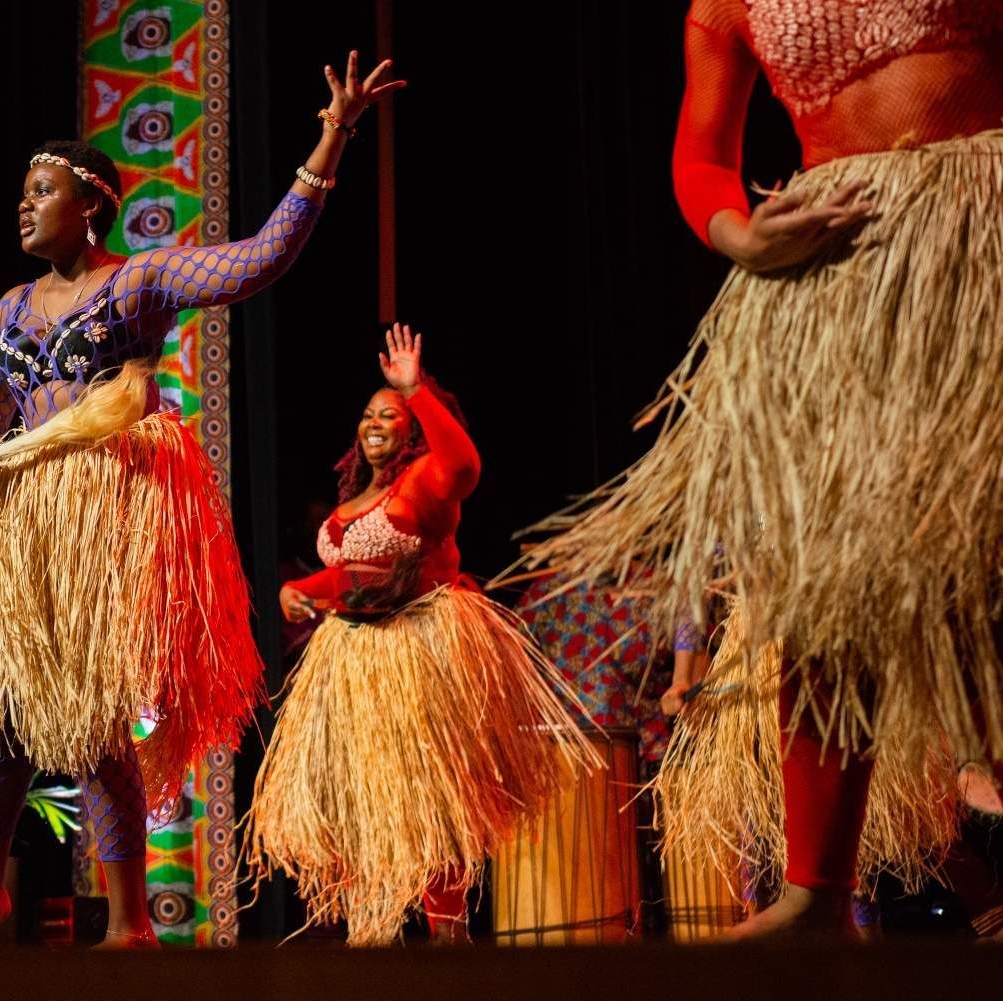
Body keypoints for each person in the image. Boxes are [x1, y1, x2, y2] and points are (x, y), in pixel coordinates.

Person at [524, 0, 1003, 937]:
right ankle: (814, 892)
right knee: (823, 588)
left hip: (979, 231)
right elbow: (702, 155)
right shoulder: (725, 6)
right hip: (832, 270)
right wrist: (739, 235)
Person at [0, 52, 404, 951]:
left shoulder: (135, 283)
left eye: (42, 189)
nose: (24, 204)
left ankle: (131, 919)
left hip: (101, 519)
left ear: (91, 201)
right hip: (23, 530)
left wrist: (332, 137)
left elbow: (258, 260)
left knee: (93, 712)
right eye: (22, 191)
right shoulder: (11, 306)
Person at [246, 326, 591, 946]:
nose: (376, 421)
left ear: (413, 428)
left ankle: (449, 937)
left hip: (421, 647)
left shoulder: (428, 481)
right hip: (353, 657)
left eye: (392, 412)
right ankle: (372, 936)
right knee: (359, 802)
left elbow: (467, 465)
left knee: (430, 801)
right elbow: (350, 571)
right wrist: (295, 592)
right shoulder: (358, 497)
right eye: (369, 413)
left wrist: (419, 389)